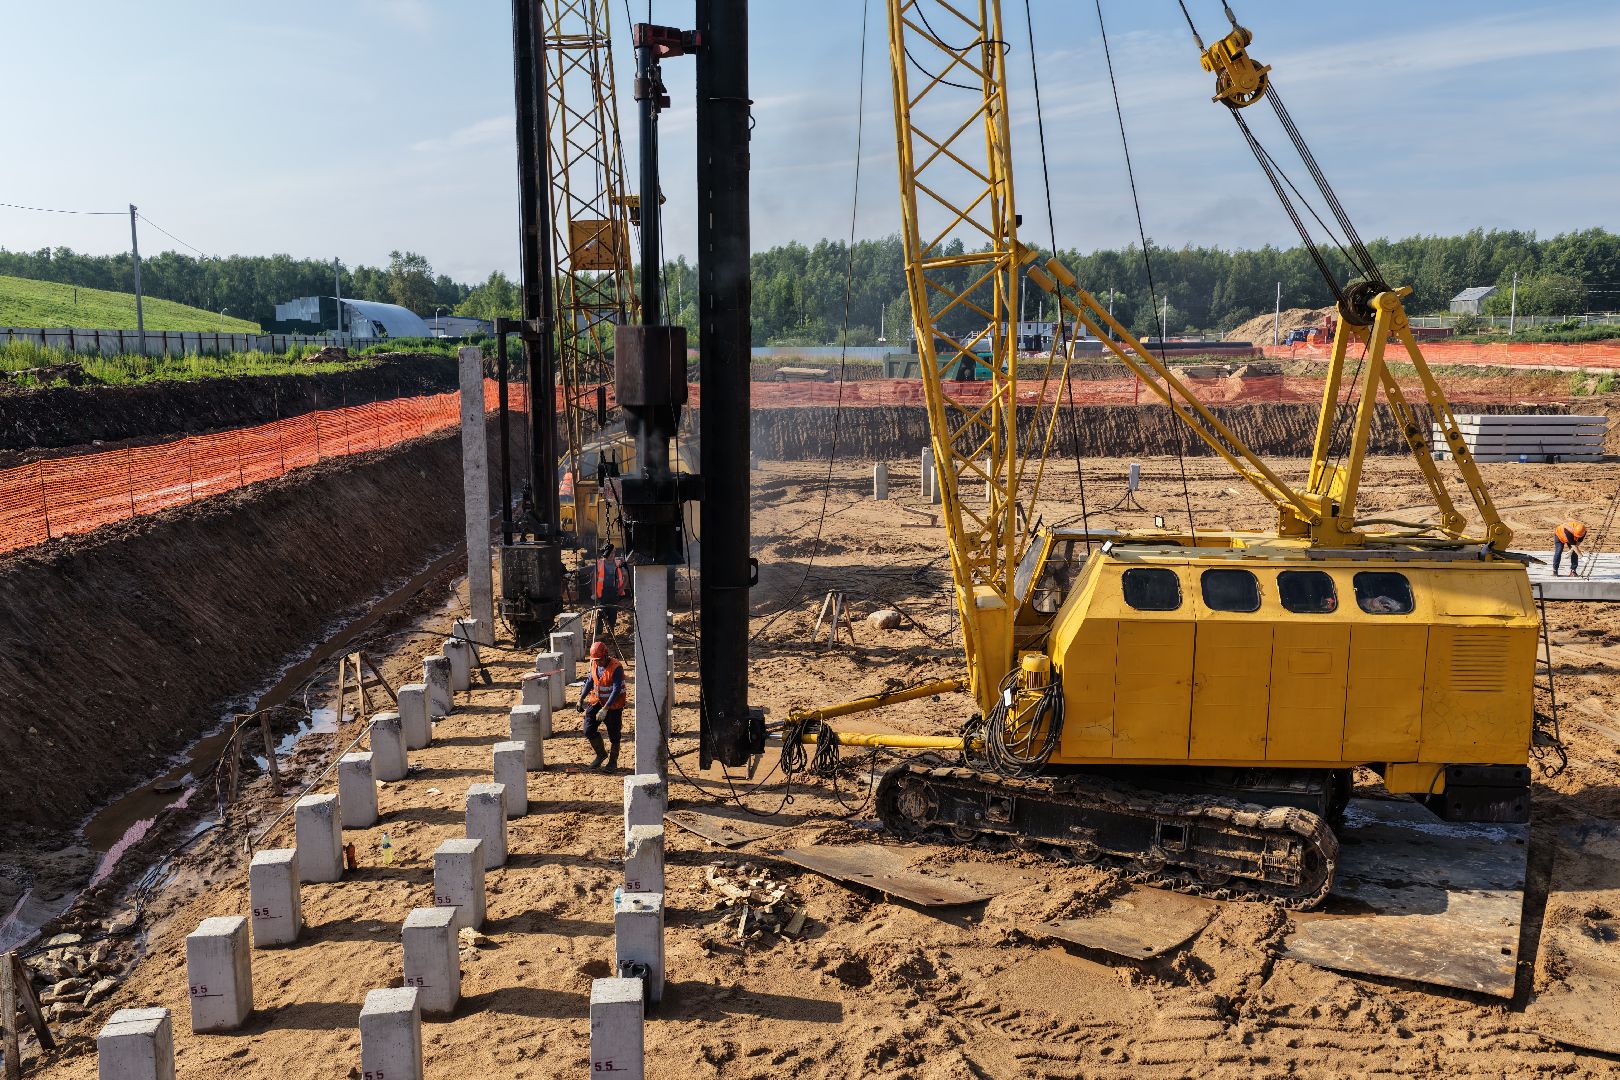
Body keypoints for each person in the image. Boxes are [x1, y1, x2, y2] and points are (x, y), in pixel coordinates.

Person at [577, 640, 628, 771]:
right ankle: (601, 754)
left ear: (606, 655)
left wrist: (605, 709)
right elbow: (590, 681)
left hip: (613, 705)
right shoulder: (594, 664)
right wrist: (581, 698)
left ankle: (613, 762)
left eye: (600, 660)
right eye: (595, 660)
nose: (598, 662)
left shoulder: (616, 667)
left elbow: (616, 690)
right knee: (588, 730)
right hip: (596, 701)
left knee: (614, 734)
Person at [592, 541, 627, 641]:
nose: (611, 555)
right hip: (602, 594)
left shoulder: (618, 563)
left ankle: (610, 634)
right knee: (600, 613)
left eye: (613, 553)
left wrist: (621, 589)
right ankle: (598, 634)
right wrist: (594, 593)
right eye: (610, 553)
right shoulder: (599, 563)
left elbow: (626, 577)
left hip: (614, 593)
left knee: (612, 614)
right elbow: (594, 579)